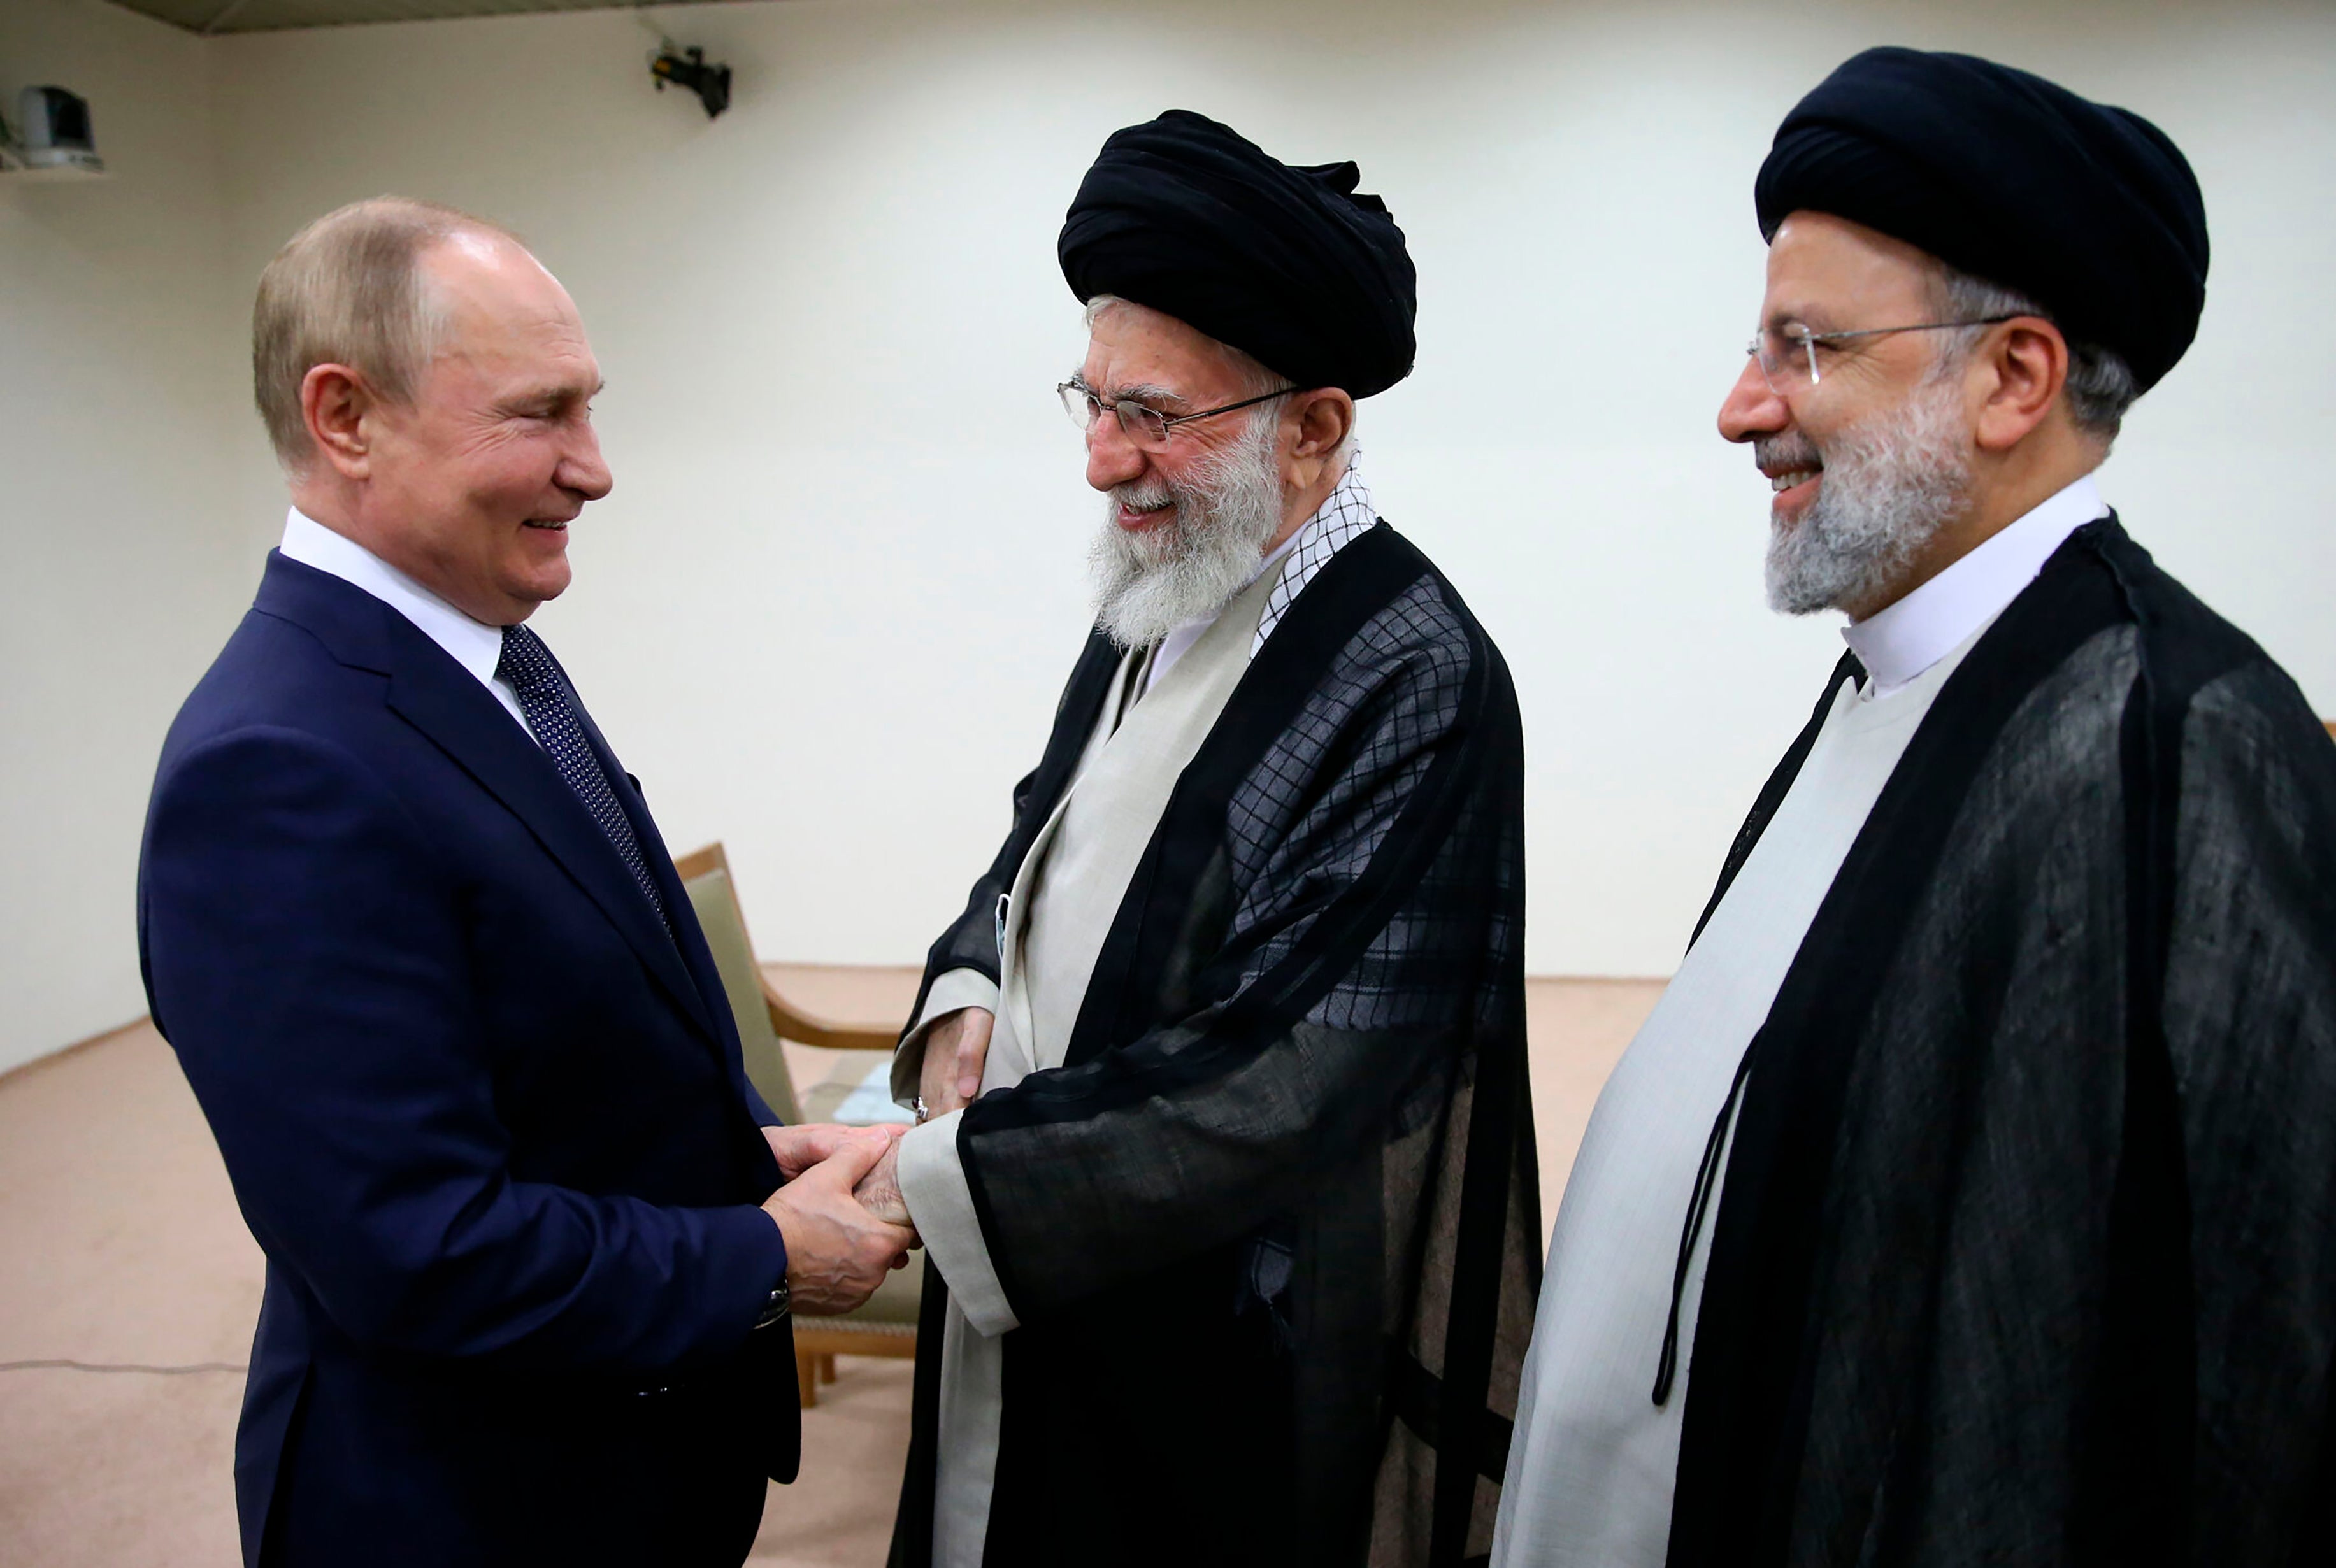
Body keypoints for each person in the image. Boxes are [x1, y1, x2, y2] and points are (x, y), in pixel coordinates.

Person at [1493, 47, 2336, 1568]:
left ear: (2012, 376)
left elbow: (2224, 1368)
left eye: (1805, 349)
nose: (1743, 408)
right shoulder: (1898, 671)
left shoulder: (2172, 736)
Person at [137, 197, 915, 1568]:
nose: (596, 468)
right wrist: (765, 1256)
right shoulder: (276, 767)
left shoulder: (490, 655)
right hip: (474, 1509)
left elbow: (564, 1015)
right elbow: (413, 1244)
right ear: (344, 418)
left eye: (590, 408)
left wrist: (743, 1155)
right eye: (539, 413)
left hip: (623, 1464)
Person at [856, 110, 1540, 1568]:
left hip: (1214, 1327)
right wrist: (970, 994)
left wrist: (940, 1181)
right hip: (1039, 1228)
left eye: (1154, 413)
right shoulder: (1161, 586)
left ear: (1315, 427)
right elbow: (1033, 839)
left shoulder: (1412, 670)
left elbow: (1302, 1068)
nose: (1106, 461)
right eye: (1091, 402)